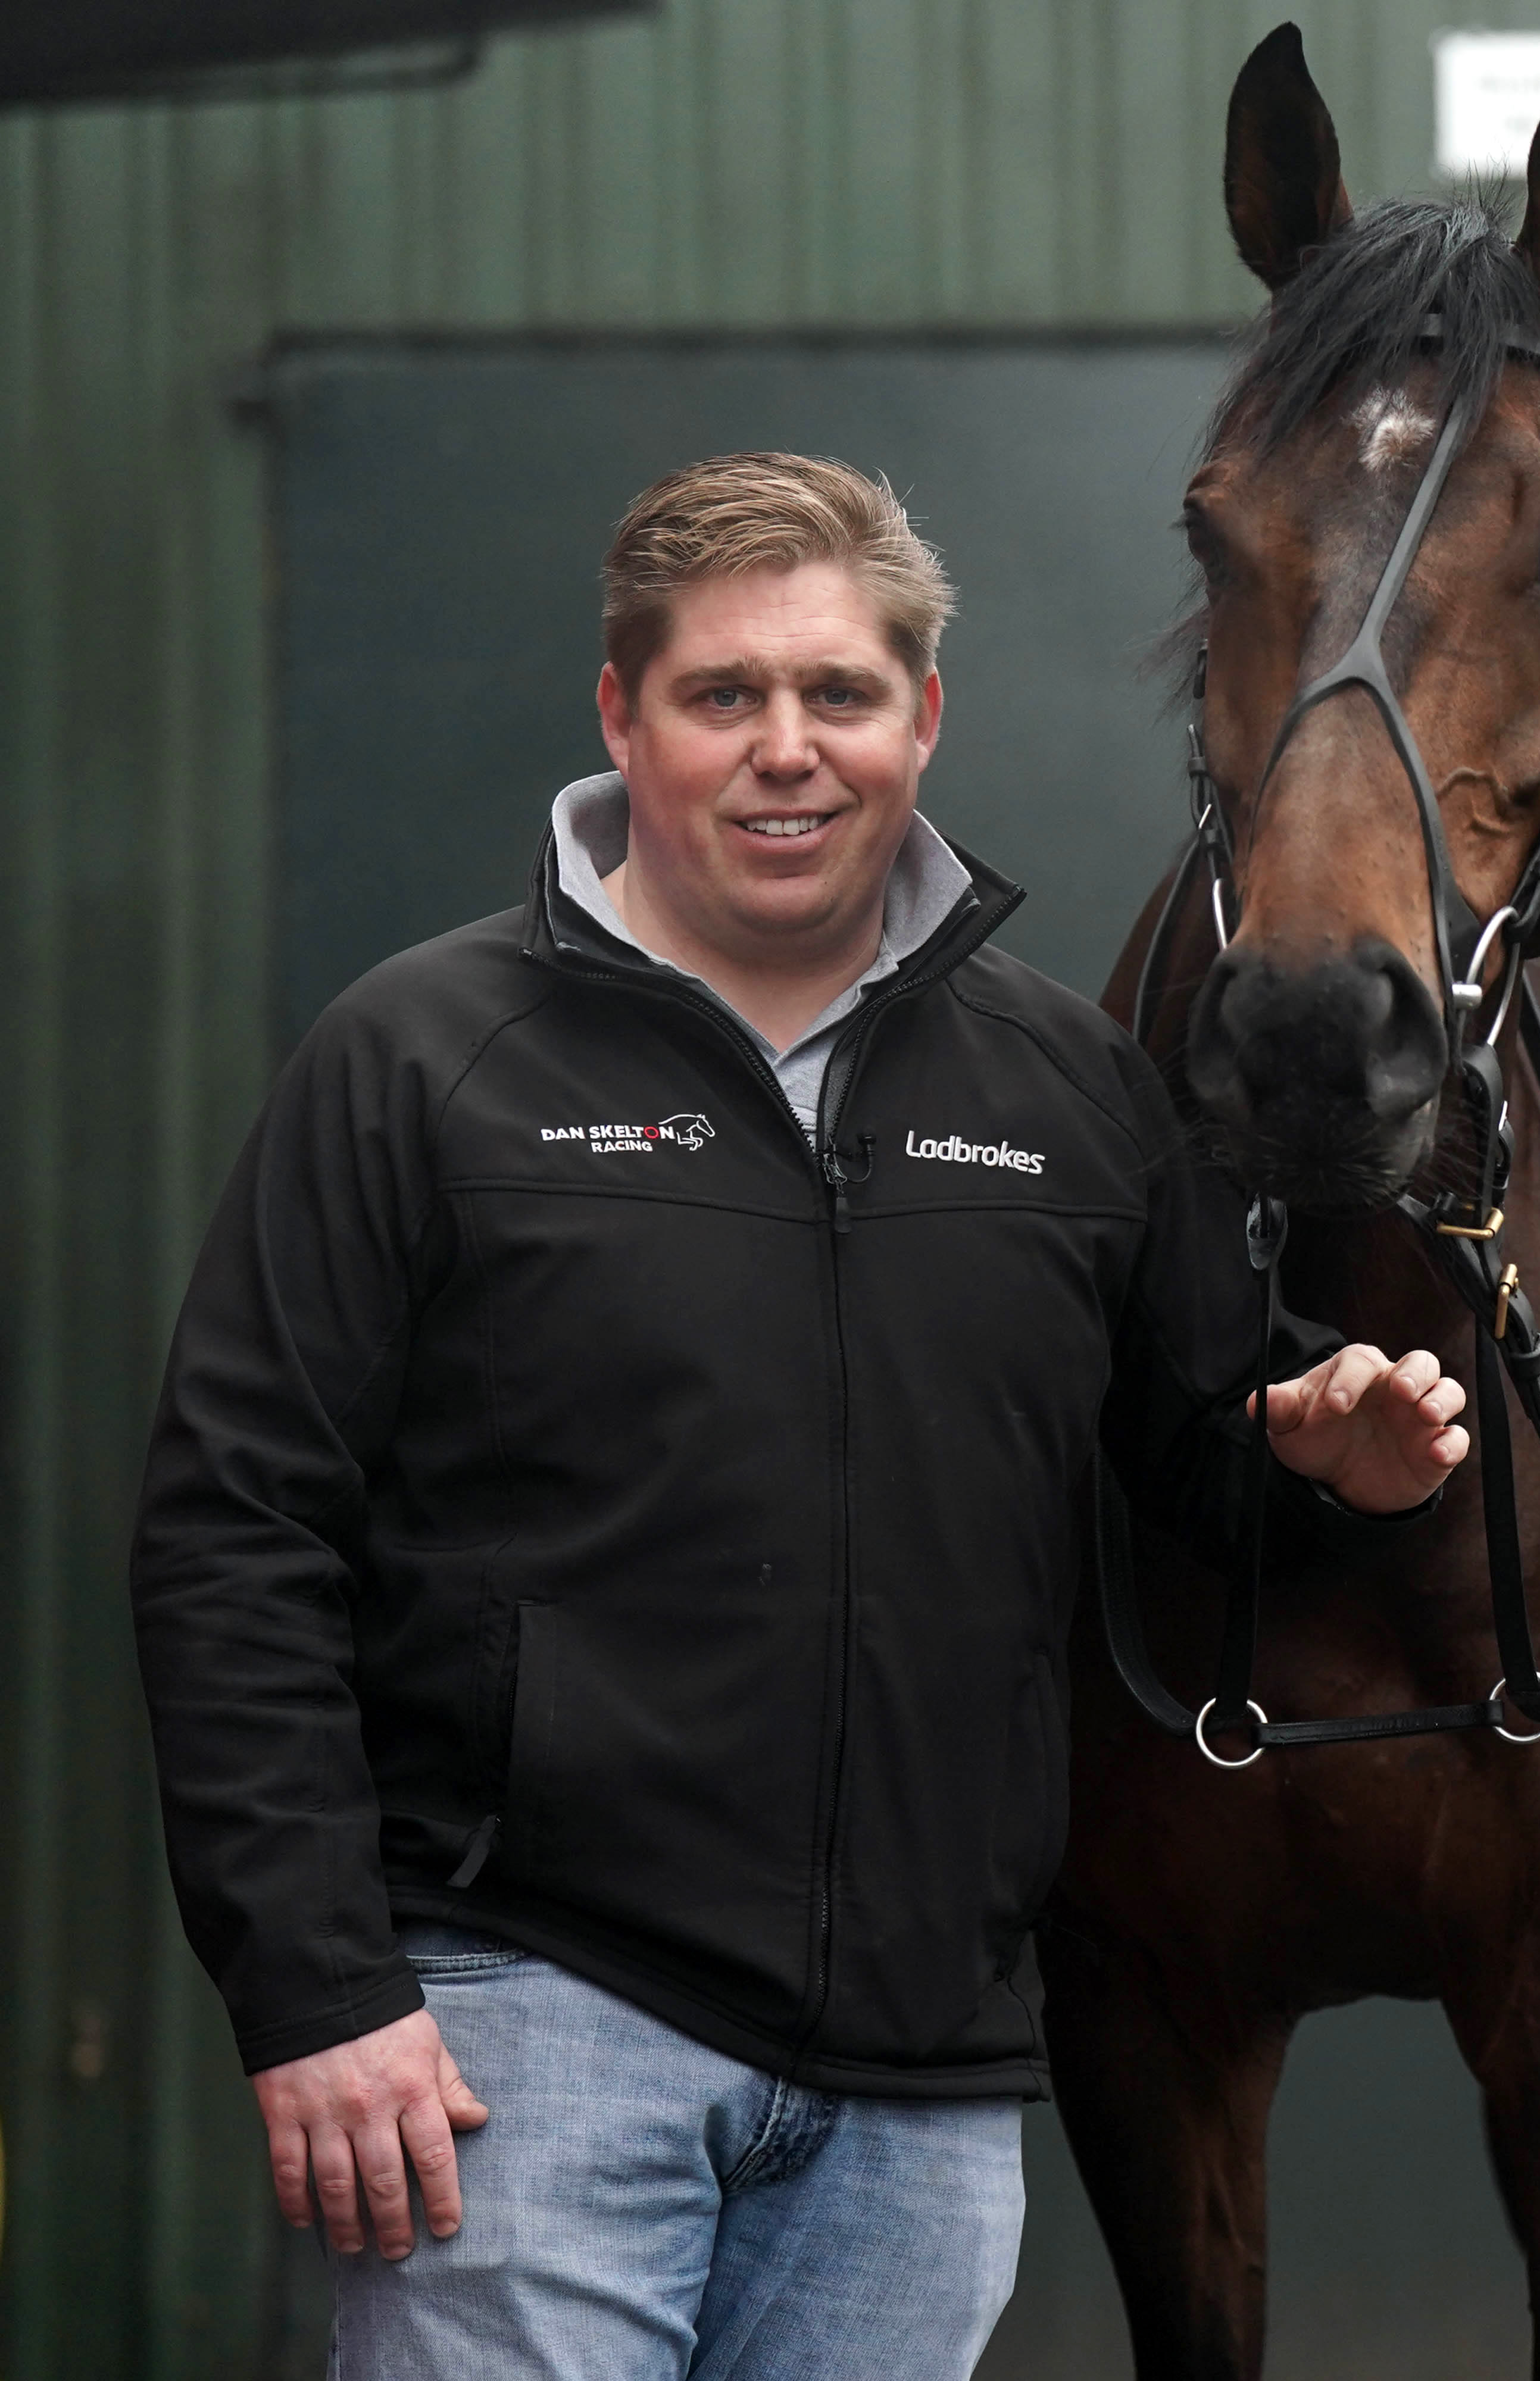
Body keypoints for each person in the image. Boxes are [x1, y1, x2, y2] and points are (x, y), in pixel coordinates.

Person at [128, 452, 1467, 2380]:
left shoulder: (1072, 1089)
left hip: (916, 2103)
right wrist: (316, 1987)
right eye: (721, 696)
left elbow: (1186, 1470)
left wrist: (1322, 1458)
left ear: (923, 718)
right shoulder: (421, 1062)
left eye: (838, 695)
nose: (787, 751)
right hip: (525, 2052)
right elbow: (229, 1536)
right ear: (621, 716)